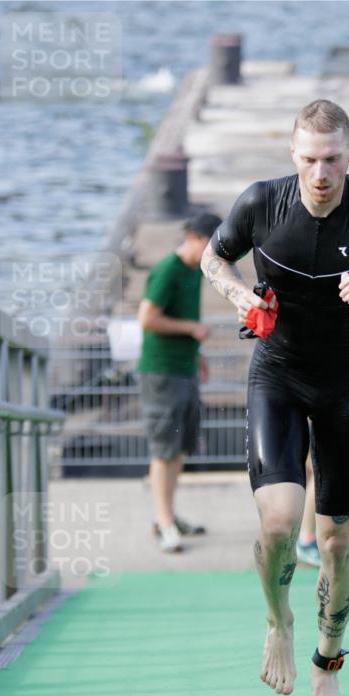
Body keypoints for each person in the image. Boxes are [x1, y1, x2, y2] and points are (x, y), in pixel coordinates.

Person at [201, 99, 349, 696]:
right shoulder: (260, 203)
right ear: (292, 155)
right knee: (277, 523)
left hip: (347, 383)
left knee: (338, 540)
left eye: (331, 159)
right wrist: (240, 295)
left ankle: (329, 660)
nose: (320, 173)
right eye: (308, 159)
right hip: (277, 373)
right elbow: (212, 256)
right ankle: (279, 621)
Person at [137, 211, 221, 553]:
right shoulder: (168, 269)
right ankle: (164, 522)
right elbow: (147, 318)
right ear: (196, 239)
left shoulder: (194, 271)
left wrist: (195, 351)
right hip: (162, 371)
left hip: (183, 367)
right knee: (163, 450)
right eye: (213, 245)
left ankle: (169, 515)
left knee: (179, 447)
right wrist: (191, 331)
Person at [296, 329, 349, 568]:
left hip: (328, 387)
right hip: (314, 388)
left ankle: (306, 537)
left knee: (315, 469)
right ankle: (306, 539)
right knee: (316, 468)